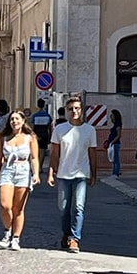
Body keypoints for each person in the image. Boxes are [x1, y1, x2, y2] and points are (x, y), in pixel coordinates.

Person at [49, 97, 97, 253]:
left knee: (78, 207)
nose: (74, 111)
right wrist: (51, 171)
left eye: (77, 108)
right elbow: (55, 153)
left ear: (81, 110)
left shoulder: (89, 130)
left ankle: (74, 238)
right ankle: (66, 232)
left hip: (81, 174)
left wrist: (94, 174)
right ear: (67, 111)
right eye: (71, 109)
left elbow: (92, 153)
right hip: (63, 174)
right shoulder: (60, 129)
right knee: (63, 208)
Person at [0, 109, 40, 250]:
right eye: (12, 119)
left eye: (17, 119)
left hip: (23, 170)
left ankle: (16, 238)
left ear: (23, 121)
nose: (14, 121)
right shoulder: (3, 137)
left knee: (18, 208)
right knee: (5, 205)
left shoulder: (30, 137)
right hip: (7, 169)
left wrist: (36, 174)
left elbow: (34, 157)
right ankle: (7, 231)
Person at [29, 98, 54, 170]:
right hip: (44, 134)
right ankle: (40, 167)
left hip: (36, 134)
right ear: (44, 105)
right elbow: (50, 127)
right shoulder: (47, 116)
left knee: (35, 151)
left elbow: (32, 127)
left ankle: (35, 167)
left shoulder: (35, 116)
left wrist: (33, 135)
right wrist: (50, 136)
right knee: (42, 151)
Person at [104, 109, 123, 177]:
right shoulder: (115, 124)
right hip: (113, 143)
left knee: (115, 158)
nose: (110, 116)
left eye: (112, 115)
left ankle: (116, 172)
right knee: (113, 158)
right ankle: (114, 171)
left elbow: (118, 135)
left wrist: (112, 142)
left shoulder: (118, 124)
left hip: (115, 144)